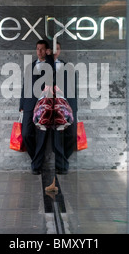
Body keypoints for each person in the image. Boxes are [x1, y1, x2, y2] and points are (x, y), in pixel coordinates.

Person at [19, 40, 54, 175]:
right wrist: (21, 105)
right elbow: (25, 86)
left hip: (45, 105)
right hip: (29, 104)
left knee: (42, 136)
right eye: (37, 49)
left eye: (42, 49)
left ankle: (36, 166)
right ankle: (36, 160)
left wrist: (50, 57)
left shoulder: (51, 65)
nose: (39, 52)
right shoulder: (30, 66)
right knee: (26, 134)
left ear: (46, 50)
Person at [53, 41, 77, 174]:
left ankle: (63, 160)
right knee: (56, 137)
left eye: (57, 48)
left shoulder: (67, 66)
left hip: (67, 106)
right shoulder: (43, 67)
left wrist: (74, 107)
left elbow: (73, 88)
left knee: (72, 135)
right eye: (53, 49)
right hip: (52, 107)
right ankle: (61, 166)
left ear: (60, 50)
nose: (55, 51)